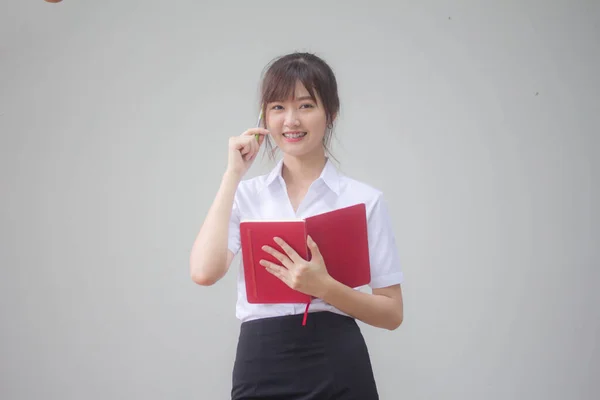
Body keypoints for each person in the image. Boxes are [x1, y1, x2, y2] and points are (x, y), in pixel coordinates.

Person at [190, 52, 404, 399]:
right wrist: (232, 175)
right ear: (264, 116)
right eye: (278, 107)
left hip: (337, 360)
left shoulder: (364, 200)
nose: (291, 120)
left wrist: (324, 287)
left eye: (305, 105)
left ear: (330, 113)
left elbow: (392, 313)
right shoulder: (246, 195)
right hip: (262, 360)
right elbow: (204, 272)